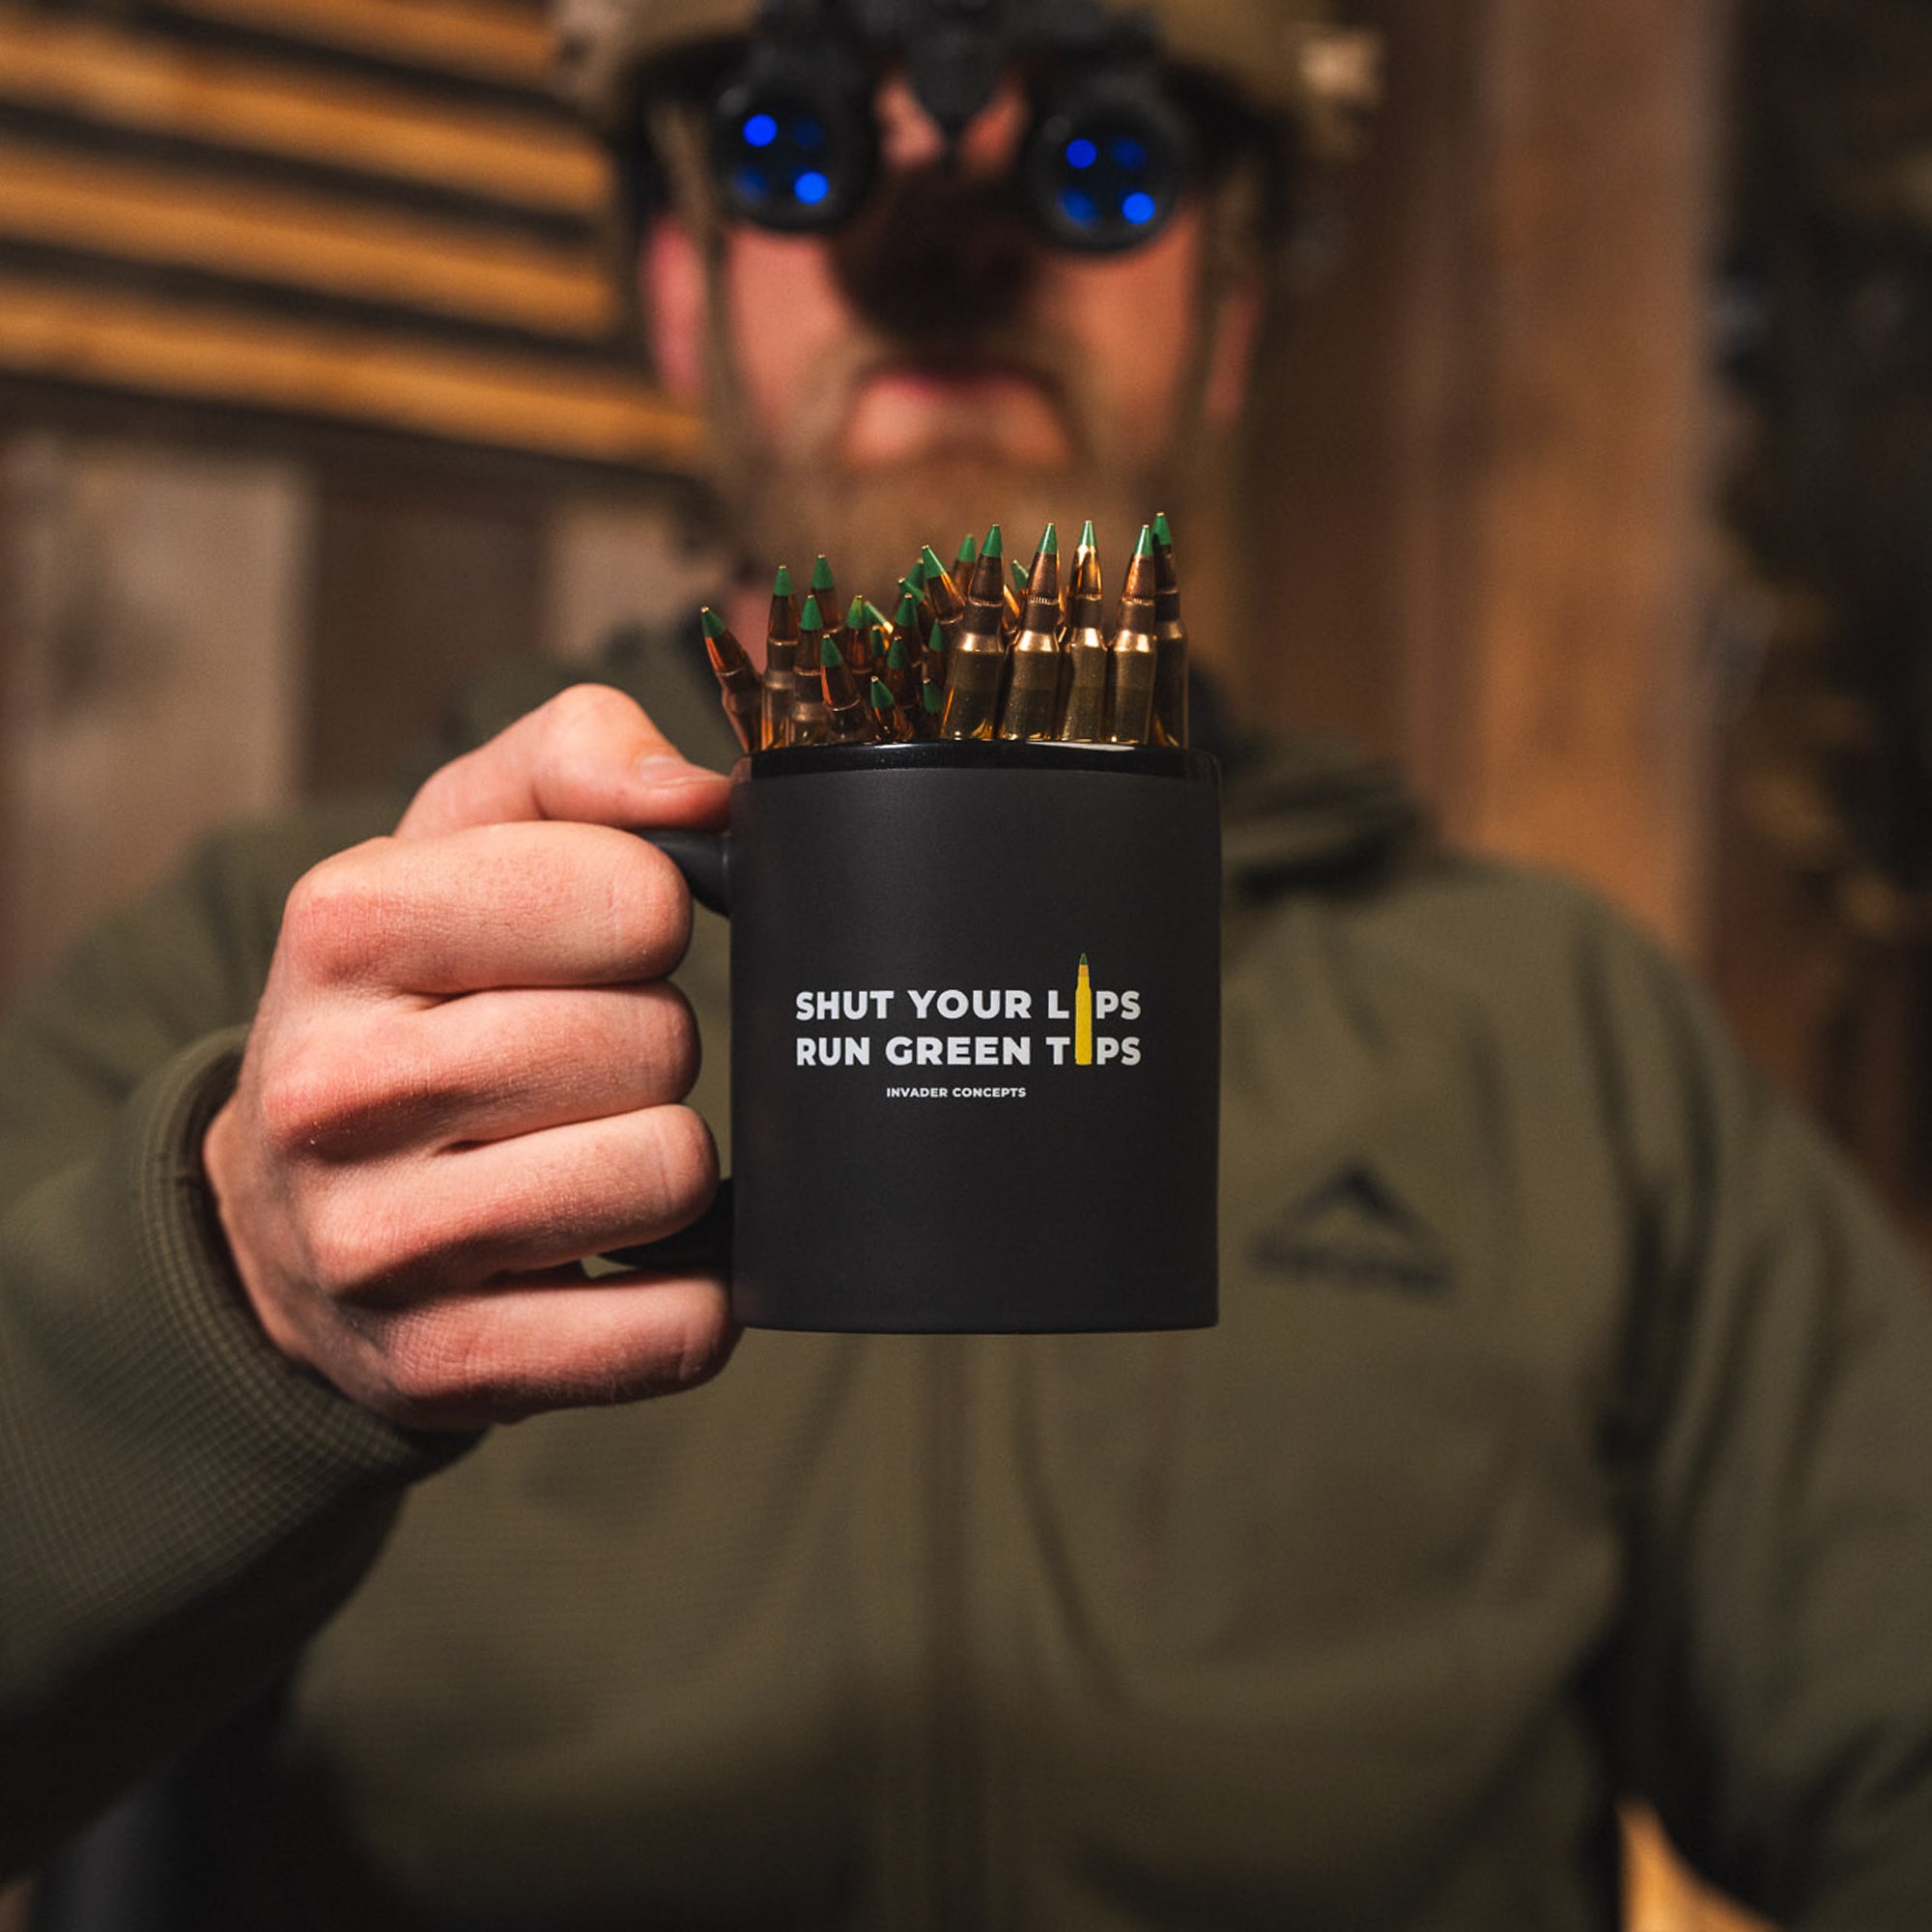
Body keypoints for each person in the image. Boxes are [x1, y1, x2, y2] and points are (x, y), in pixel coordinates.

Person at [5, 2, 1932, 1925]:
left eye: (1098, 161)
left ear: (1232, 318)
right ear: (679, 295)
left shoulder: (1552, 1033)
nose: (948, 236)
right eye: (801, 150)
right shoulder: (292, 975)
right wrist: (230, 1289)